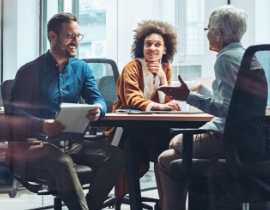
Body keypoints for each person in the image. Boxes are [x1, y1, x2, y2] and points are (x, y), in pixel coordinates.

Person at [6, 12, 125, 210]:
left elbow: (97, 98)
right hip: (36, 145)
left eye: (78, 36)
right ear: (53, 37)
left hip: (72, 142)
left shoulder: (82, 69)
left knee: (116, 156)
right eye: (70, 36)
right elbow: (12, 113)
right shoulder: (30, 71)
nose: (76, 41)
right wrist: (42, 124)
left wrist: (99, 109)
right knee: (62, 162)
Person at [157, 5, 258, 210]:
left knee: (174, 143)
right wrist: (198, 92)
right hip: (251, 140)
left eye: (208, 30)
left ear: (218, 33)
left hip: (228, 139)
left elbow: (229, 110)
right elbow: (237, 102)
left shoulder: (225, 59)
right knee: (167, 158)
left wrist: (189, 97)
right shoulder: (248, 57)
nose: (207, 35)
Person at [104, 20, 180, 204]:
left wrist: (162, 77)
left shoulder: (166, 69)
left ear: (165, 49)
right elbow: (132, 99)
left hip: (151, 127)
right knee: (136, 146)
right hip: (125, 128)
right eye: (148, 44)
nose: (152, 48)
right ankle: (135, 203)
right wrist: (159, 106)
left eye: (157, 45)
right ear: (141, 47)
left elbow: (168, 102)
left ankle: (165, 204)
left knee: (168, 143)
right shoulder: (132, 67)